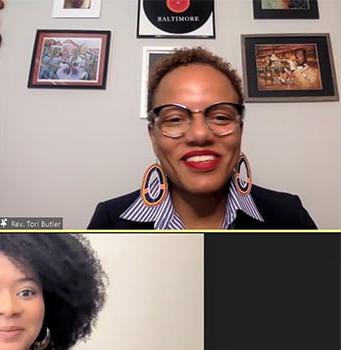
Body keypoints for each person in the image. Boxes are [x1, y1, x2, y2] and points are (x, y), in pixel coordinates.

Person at [88, 47, 317, 230]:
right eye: (175, 119)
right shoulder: (109, 220)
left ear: (240, 130)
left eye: (220, 117)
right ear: (153, 138)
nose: (200, 134)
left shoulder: (289, 216)